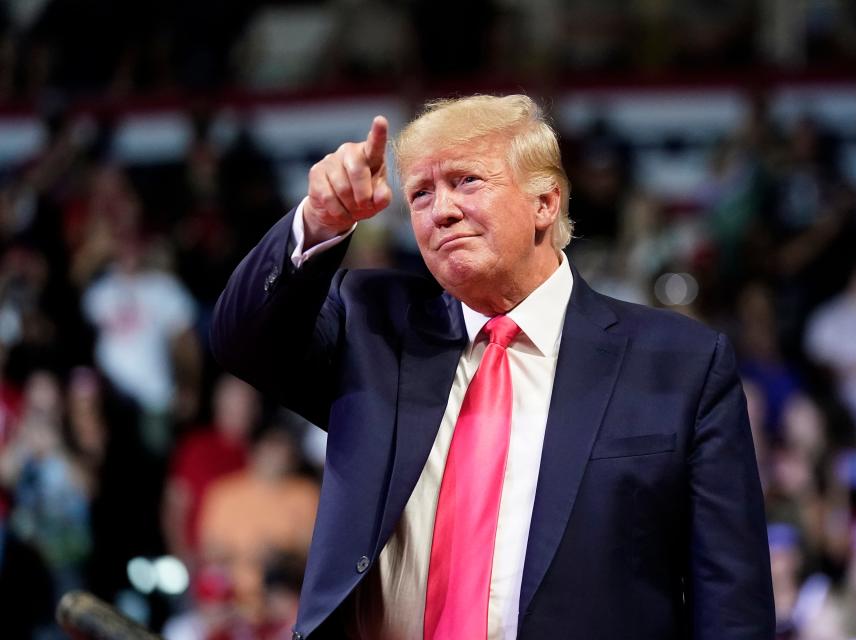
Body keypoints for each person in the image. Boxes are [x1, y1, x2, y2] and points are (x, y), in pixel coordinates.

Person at [212, 95, 773, 639]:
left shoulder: (681, 363)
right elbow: (241, 341)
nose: (442, 210)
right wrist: (317, 220)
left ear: (545, 203)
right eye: (422, 194)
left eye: (467, 181)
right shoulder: (373, 326)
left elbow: (730, 598)